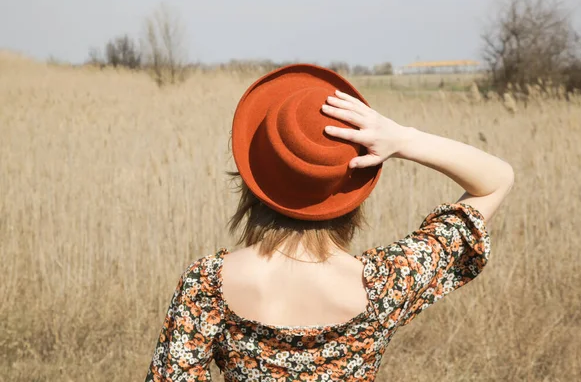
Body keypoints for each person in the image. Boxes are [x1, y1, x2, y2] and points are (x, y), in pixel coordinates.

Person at [145, 64, 514, 381]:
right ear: (350, 190)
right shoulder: (386, 284)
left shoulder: (207, 287)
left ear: (252, 182)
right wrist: (402, 139)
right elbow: (496, 180)